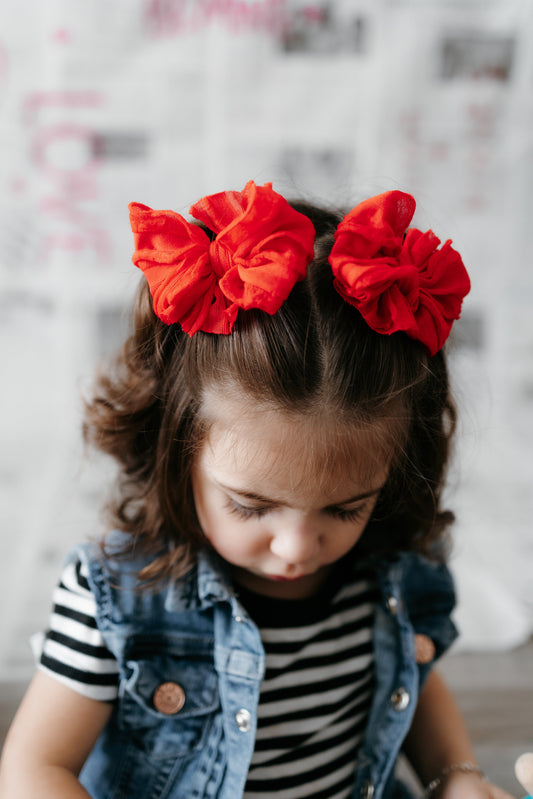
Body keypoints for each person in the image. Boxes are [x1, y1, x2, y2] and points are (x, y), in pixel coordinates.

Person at [0, 182, 513, 799]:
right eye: (251, 505)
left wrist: (456, 776)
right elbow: (35, 769)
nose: (297, 547)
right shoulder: (118, 599)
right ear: (173, 445)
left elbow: (412, 675)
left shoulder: (392, 574)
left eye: (346, 507)